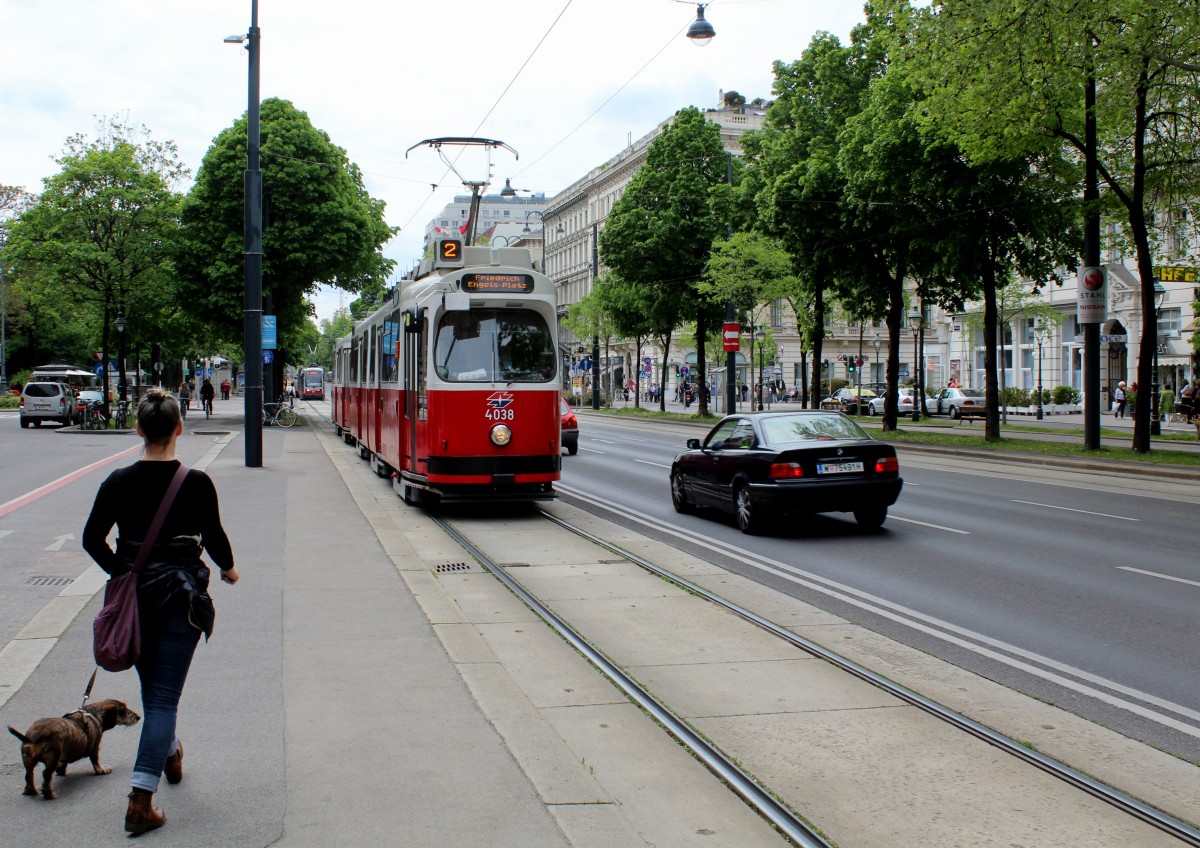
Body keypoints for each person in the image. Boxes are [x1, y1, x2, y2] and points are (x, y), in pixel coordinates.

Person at [81, 388, 239, 834]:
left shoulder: (117, 480)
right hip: (179, 599)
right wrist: (229, 570)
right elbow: (214, 536)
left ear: (138, 430)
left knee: (156, 694)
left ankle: (169, 755)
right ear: (179, 428)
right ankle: (140, 800)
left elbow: (92, 539)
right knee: (164, 698)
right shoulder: (196, 482)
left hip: (134, 602)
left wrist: (123, 571)